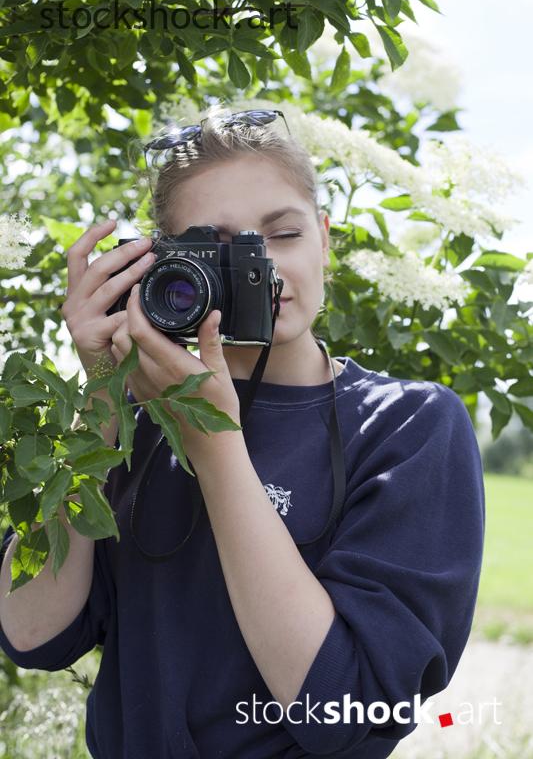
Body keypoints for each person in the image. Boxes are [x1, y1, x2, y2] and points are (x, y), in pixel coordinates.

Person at [0, 104, 485, 759]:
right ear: (166, 265)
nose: (261, 266)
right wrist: (100, 396)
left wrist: (216, 446)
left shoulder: (409, 425)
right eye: (219, 247)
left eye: (281, 235)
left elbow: (341, 711)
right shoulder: (132, 423)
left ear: (324, 236)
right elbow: (32, 634)